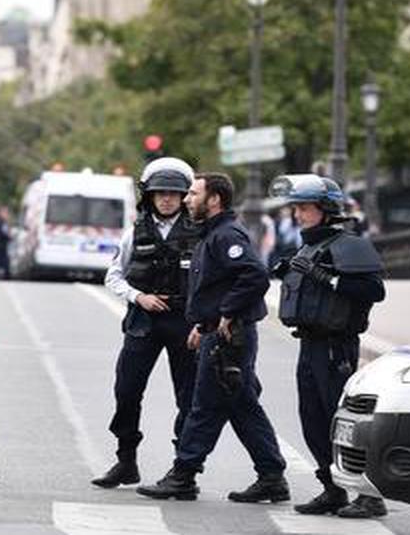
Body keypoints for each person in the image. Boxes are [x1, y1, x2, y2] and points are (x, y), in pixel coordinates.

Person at [137, 172, 289, 503]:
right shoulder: (212, 234)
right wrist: (202, 323)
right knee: (241, 404)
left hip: (229, 337)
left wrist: (226, 313)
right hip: (218, 332)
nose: (187, 199)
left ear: (214, 199)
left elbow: (254, 275)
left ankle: (183, 474)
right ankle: (271, 475)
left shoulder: (227, 235)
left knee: (204, 406)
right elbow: (216, 286)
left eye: (193, 193)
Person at [269, 174, 387, 519]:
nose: (298, 214)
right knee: (312, 419)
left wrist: (327, 277)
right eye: (296, 208)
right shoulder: (309, 246)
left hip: (336, 347)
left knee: (344, 423)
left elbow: (374, 291)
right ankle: (332, 489)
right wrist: (288, 270)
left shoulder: (350, 244)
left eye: (304, 208)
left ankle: (369, 495)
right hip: (310, 344)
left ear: (326, 209)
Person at [93, 158, 200, 489]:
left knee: (188, 396)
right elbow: (113, 275)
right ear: (149, 196)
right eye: (160, 193)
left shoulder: (201, 233)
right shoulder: (134, 232)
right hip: (144, 321)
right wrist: (138, 297)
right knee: (126, 390)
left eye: (173, 193)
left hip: (185, 323)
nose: (167, 199)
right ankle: (126, 461)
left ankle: (184, 472)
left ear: (184, 196)